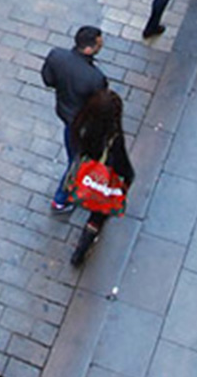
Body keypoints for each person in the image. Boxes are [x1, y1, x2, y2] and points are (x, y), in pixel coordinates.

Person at [66, 88, 137, 268]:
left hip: (85, 169)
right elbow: (122, 165)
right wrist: (128, 179)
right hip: (101, 175)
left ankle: (79, 253)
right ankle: (83, 246)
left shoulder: (80, 123)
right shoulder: (113, 137)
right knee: (99, 212)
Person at [42, 24, 108, 211]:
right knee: (77, 162)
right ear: (89, 49)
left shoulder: (56, 56)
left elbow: (48, 80)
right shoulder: (96, 78)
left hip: (65, 113)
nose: (101, 46)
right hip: (81, 125)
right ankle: (61, 199)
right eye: (99, 45)